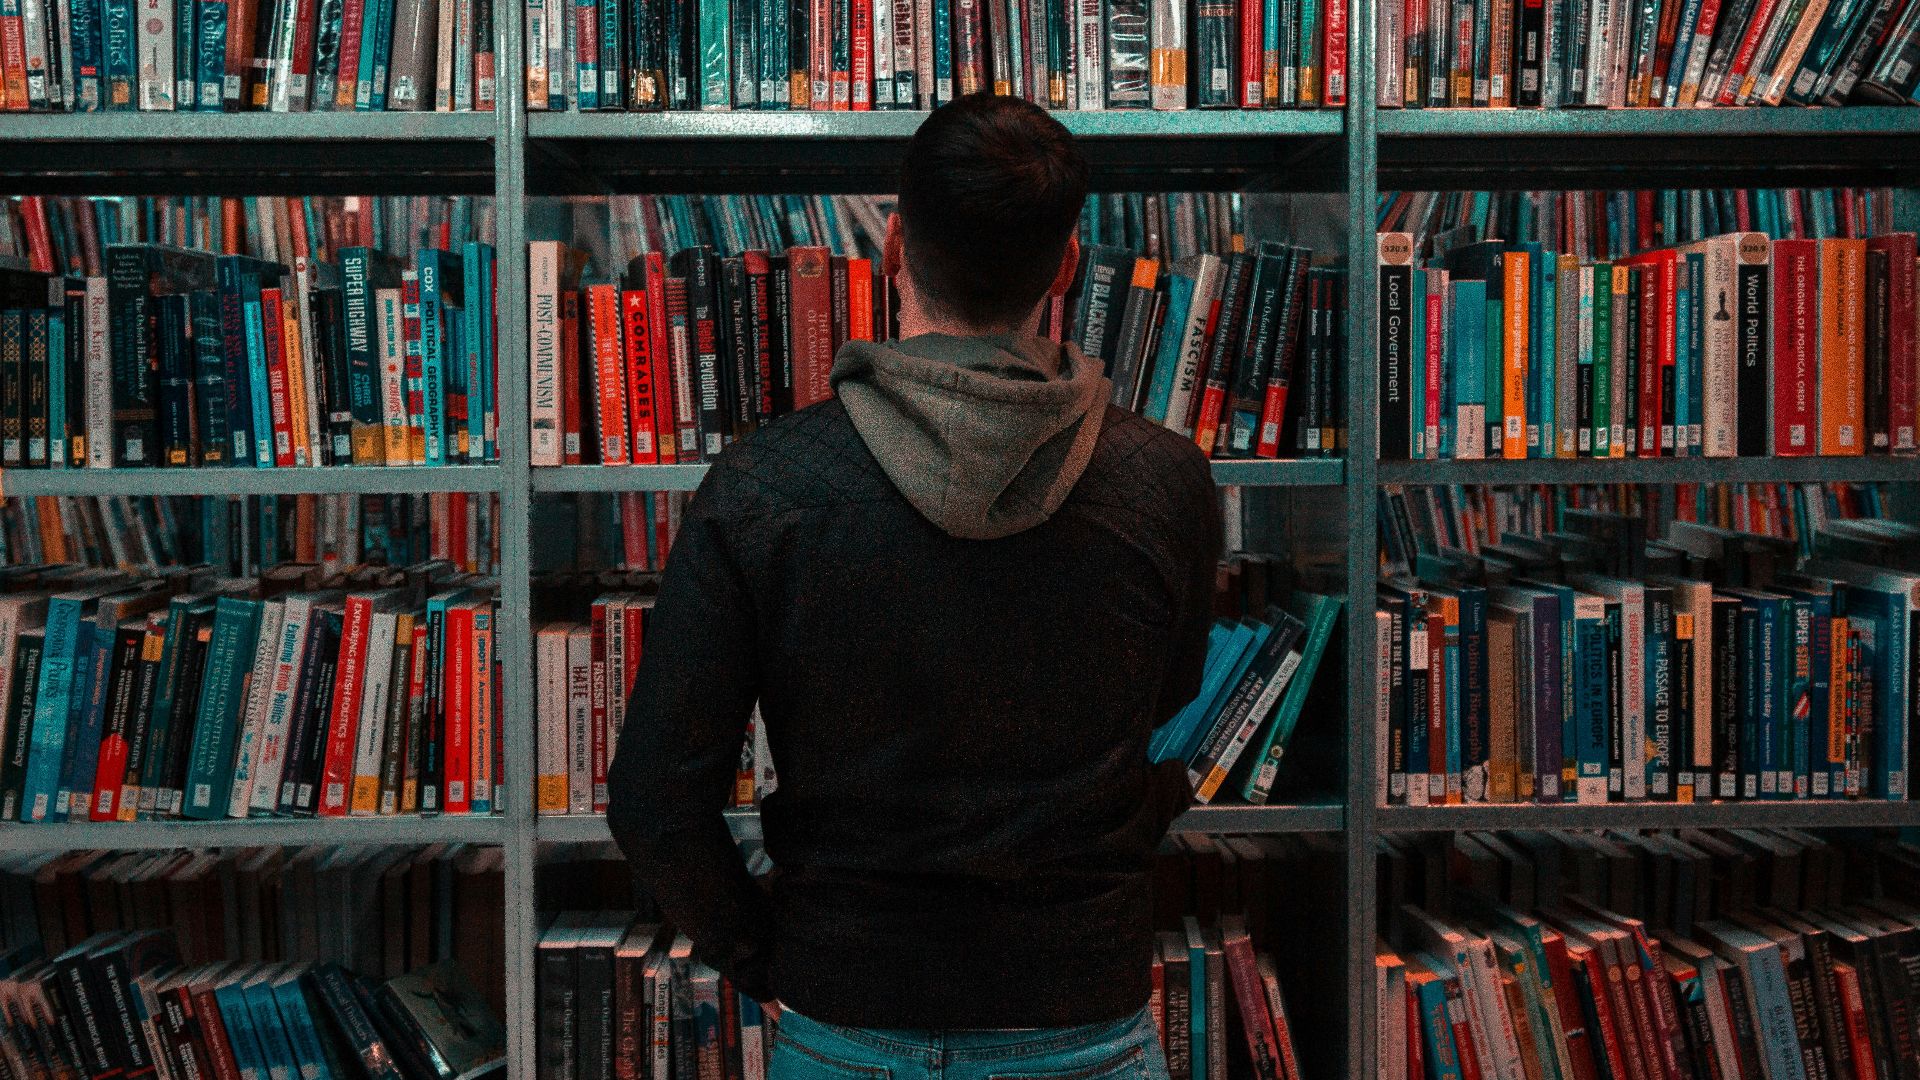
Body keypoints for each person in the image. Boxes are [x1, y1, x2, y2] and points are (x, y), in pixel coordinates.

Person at [606, 92, 1220, 1080]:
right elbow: (1165, 707)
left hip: (847, 1008)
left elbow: (654, 802)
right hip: (1080, 1006)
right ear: (1065, 266)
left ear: (892, 244)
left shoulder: (767, 485)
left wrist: (769, 954)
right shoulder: (1163, 482)